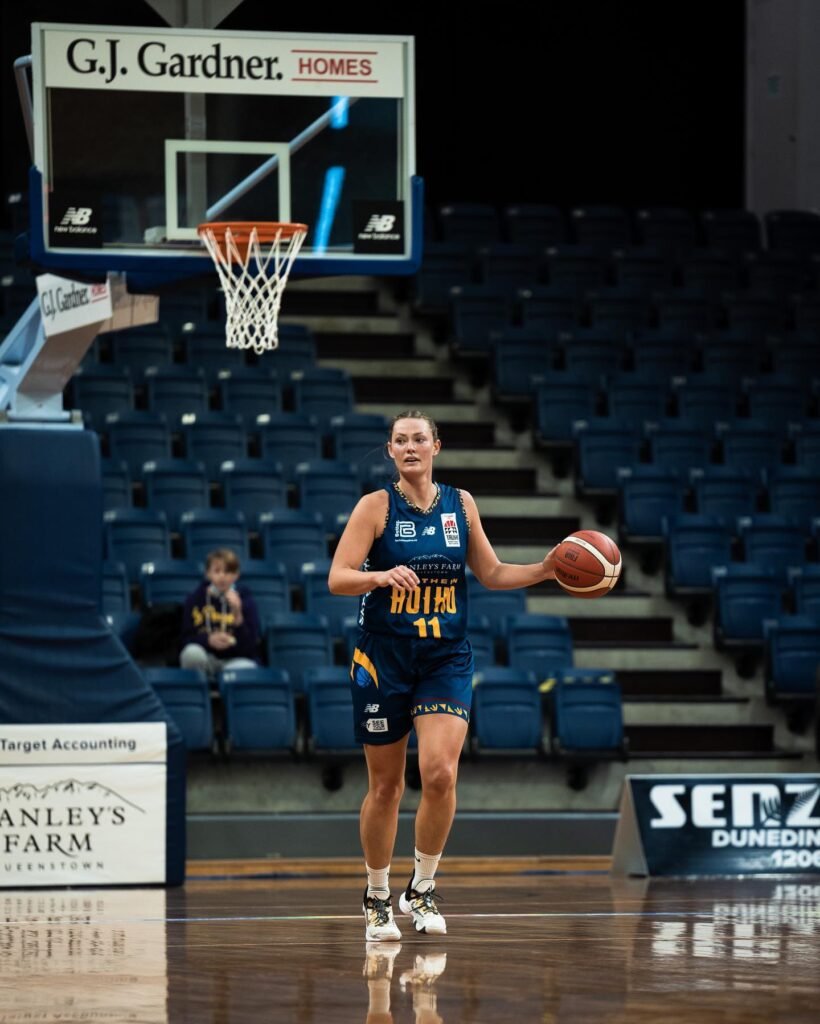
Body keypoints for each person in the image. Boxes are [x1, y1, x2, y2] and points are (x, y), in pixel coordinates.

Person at [328, 410, 557, 941]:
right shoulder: (375, 507)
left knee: (440, 774)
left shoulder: (462, 504)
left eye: (419, 439)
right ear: (390, 450)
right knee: (386, 786)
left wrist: (545, 569)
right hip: (384, 657)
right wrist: (380, 577)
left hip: (445, 656)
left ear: (436, 446)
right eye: (400, 440)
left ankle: (422, 888)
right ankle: (377, 895)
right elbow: (338, 578)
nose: (410, 447)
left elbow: (492, 572)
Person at [179, 548, 261, 680]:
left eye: (228, 571)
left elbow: (250, 647)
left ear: (236, 575)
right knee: (190, 654)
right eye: (217, 571)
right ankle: (198, 691)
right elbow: (185, 640)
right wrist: (208, 640)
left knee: (248, 668)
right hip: (206, 657)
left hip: (234, 660)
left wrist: (238, 615)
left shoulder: (246, 600)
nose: (222, 576)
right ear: (208, 574)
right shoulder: (194, 599)